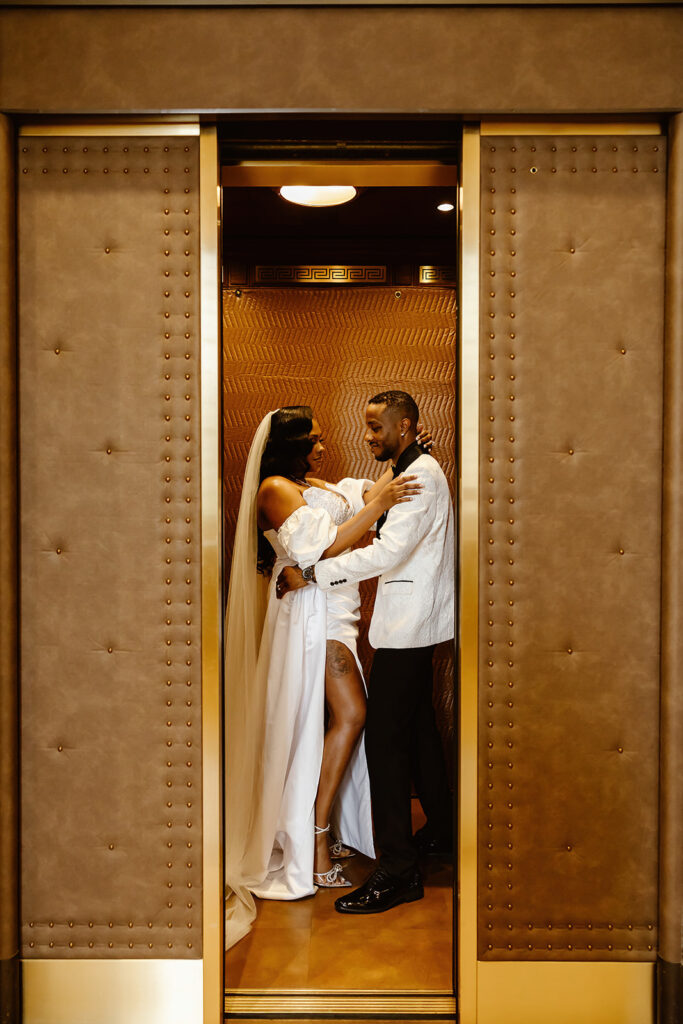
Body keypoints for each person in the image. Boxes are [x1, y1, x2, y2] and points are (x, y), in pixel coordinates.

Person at [224, 406, 423, 948]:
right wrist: (378, 504)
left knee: (325, 721)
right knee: (352, 714)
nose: (322, 446)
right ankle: (311, 839)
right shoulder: (273, 489)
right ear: (287, 444)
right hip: (311, 615)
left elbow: (364, 497)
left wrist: (407, 446)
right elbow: (324, 547)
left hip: (338, 610)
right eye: (312, 440)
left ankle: (318, 828)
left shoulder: (313, 484)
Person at [277, 390, 454, 915]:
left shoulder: (418, 475)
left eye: (377, 428)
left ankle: (398, 870)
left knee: (385, 745)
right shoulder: (410, 466)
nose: (367, 436)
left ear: (405, 426)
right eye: (368, 426)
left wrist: (311, 574)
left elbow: (389, 551)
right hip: (413, 625)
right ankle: (442, 832)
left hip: (408, 627)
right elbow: (365, 498)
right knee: (419, 732)